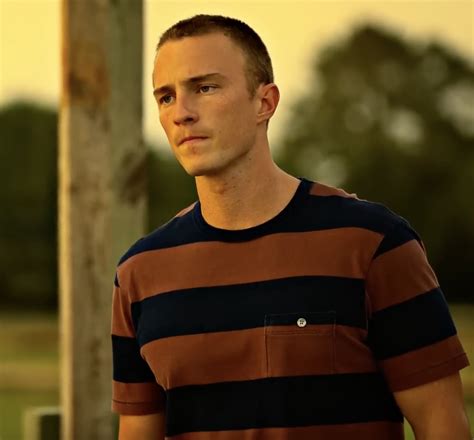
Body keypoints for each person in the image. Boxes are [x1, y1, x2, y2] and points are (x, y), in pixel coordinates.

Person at [111, 14, 471, 440]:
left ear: (265, 102)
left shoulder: (373, 244)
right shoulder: (140, 272)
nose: (181, 114)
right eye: (166, 97)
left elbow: (443, 426)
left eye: (204, 88)